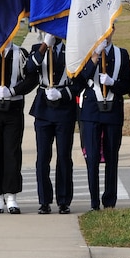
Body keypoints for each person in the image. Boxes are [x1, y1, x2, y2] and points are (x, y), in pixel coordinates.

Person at [0, 37, 35, 214]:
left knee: (11, 151)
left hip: (13, 107)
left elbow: (32, 78)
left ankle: (11, 196)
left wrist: (13, 90)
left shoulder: (21, 54)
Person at [77, 25, 130, 210]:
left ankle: (109, 201)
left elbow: (127, 84)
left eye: (108, 30)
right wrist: (93, 59)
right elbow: (78, 80)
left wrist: (113, 83)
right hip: (91, 111)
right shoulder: (86, 52)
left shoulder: (121, 54)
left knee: (111, 156)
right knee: (91, 157)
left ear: (113, 30)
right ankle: (94, 202)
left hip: (113, 110)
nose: (104, 35)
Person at [26, 33, 80, 214]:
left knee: (64, 156)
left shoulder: (72, 50)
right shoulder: (37, 49)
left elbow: (79, 82)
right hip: (43, 107)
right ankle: (44, 200)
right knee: (43, 157)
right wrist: (43, 46)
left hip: (64, 107)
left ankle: (64, 200)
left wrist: (63, 94)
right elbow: (29, 68)